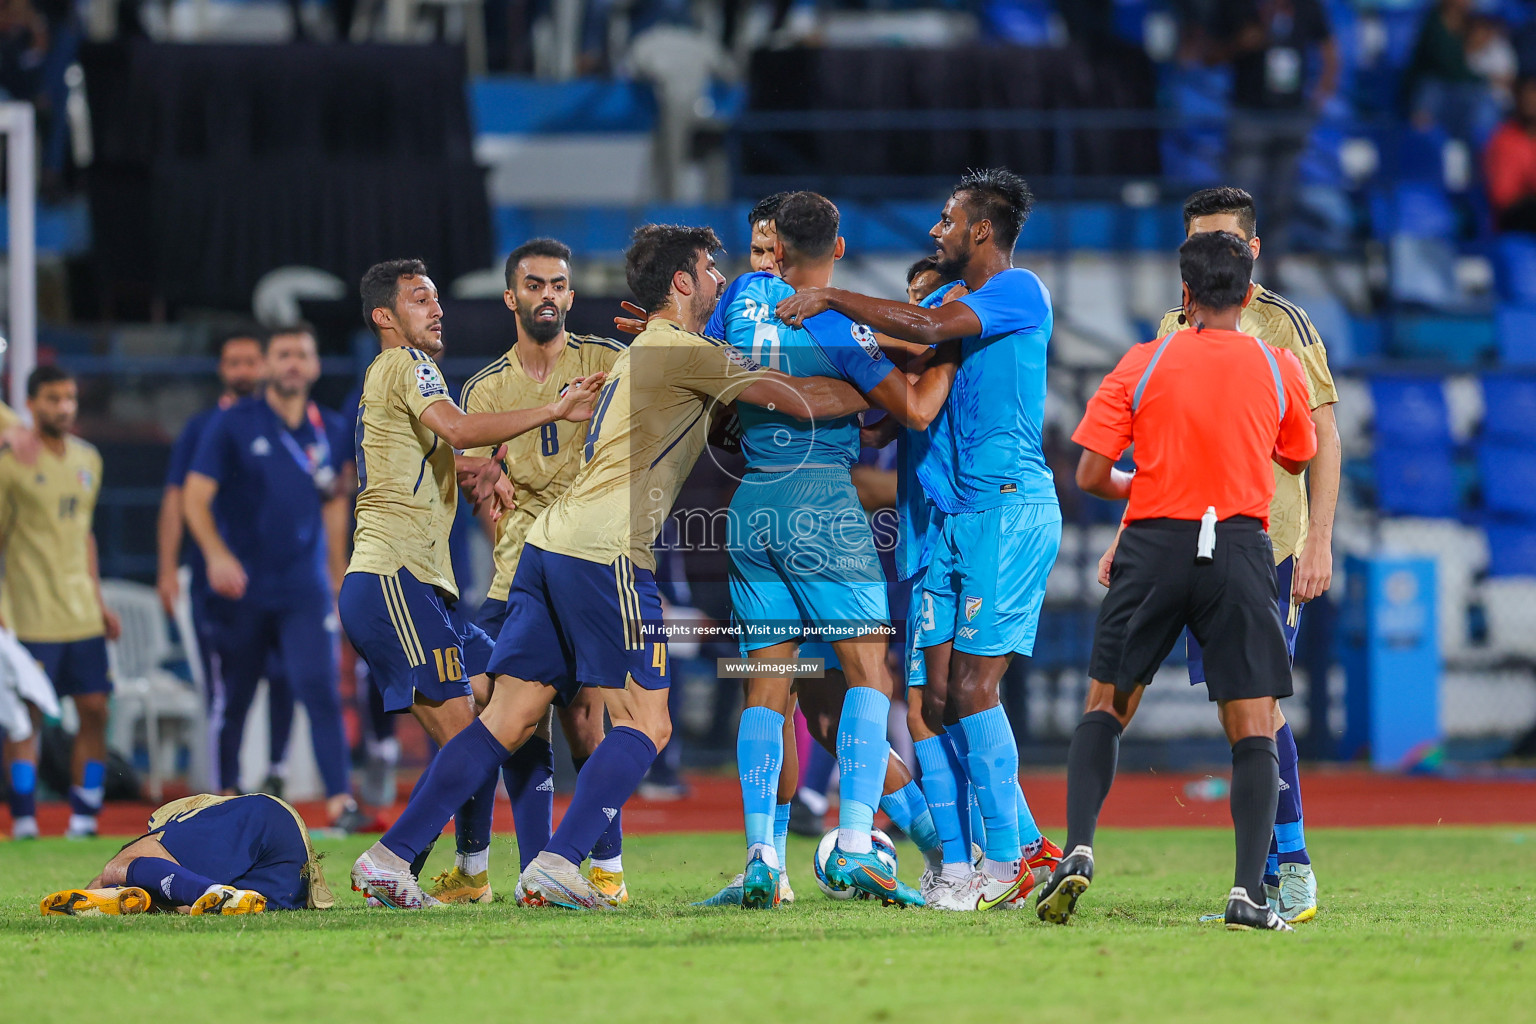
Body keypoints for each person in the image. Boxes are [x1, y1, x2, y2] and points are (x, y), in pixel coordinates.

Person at [350, 224, 869, 910]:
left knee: (507, 718)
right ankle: (561, 862)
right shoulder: (684, 352)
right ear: (682, 283)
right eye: (711, 271)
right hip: (608, 551)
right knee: (648, 724)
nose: (721, 281)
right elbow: (798, 398)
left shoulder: (641, 352)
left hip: (547, 546)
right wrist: (878, 387)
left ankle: (390, 856)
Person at [777, 167, 1059, 912]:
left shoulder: (1017, 291)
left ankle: (1015, 851)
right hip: (950, 519)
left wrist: (833, 297)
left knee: (967, 691)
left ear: (981, 231)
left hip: (1005, 508)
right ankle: (961, 864)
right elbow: (892, 388)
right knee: (930, 699)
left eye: (946, 219)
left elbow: (924, 341)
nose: (935, 230)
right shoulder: (948, 306)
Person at [1036, 230, 1317, 933]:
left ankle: (1077, 850)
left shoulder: (1145, 359)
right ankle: (1248, 894)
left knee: (1107, 705)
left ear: (1184, 294)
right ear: (1248, 294)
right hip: (1239, 548)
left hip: (1154, 544)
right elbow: (1297, 453)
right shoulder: (1278, 364)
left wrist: (1149, 481)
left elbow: (1093, 473)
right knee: (1251, 726)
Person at [714, 191, 956, 908]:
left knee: (767, 688)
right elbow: (910, 409)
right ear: (839, 249)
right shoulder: (841, 327)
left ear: (775, 250)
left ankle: (763, 860)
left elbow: (727, 389)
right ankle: (855, 844)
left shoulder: (740, 298)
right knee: (868, 675)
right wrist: (924, 364)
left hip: (752, 503)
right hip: (821, 499)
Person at [338, 258, 603, 907]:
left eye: (436, 298)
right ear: (385, 317)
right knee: (472, 739)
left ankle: (468, 872)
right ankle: (389, 861)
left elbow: (435, 452)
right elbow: (455, 426)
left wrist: (476, 468)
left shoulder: (388, 377)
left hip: (417, 585)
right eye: (421, 300)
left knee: (492, 716)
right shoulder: (408, 364)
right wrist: (556, 410)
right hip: (393, 576)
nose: (437, 310)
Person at [1146, 187, 1340, 923]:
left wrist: (1318, 538)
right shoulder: (1172, 326)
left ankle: (1291, 868)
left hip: (1270, 543)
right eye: (1196, 242)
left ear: (1252, 249)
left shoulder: (1282, 324)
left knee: (1257, 706)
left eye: (1223, 241)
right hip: (1196, 544)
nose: (1207, 255)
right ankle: (1259, 879)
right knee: (1237, 706)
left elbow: (1322, 437)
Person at [456, 237, 631, 905]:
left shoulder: (604, 362)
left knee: (586, 720)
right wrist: (483, 485)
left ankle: (607, 873)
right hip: (516, 574)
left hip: (588, 563)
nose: (548, 295)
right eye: (535, 285)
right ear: (512, 297)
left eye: (558, 284)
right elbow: (467, 467)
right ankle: (533, 872)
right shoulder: (487, 387)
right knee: (506, 713)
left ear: (571, 296)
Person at [182, 325, 366, 831]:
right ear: (266, 364)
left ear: (314, 366)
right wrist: (216, 556)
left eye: (301, 354)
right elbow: (193, 498)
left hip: (302, 587)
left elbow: (334, 509)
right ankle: (223, 796)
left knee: (320, 688)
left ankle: (339, 802)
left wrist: (337, 578)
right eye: (282, 354)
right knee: (236, 694)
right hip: (241, 586)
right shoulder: (233, 424)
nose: (292, 363)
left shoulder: (328, 427)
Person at [156, 328, 296, 799]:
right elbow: (176, 499)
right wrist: (166, 568)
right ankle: (225, 788)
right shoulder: (201, 428)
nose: (242, 371)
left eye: (249, 361)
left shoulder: (287, 423)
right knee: (227, 686)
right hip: (217, 582)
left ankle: (277, 770)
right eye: (233, 362)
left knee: (285, 676)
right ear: (222, 369)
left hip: (279, 579)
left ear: (264, 366)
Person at [0, 366, 121, 839]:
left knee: (96, 710)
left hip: (81, 613)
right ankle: (26, 819)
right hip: (29, 613)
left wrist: (99, 599)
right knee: (24, 718)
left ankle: (84, 817)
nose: (64, 407)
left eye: (69, 398)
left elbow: (83, 536)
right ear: (31, 404)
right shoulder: (11, 462)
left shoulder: (88, 459)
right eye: (52, 399)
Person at [39, 793, 334, 915]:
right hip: (281, 886)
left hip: (264, 817)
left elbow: (115, 868)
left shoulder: (187, 823)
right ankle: (219, 896)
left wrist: (100, 888)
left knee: (119, 867)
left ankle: (211, 892)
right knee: (171, 896)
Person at [1206, 0, 1338, 257]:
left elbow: (1330, 51)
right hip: (1249, 114)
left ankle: (1275, 267)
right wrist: (1239, 44)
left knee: (1282, 198)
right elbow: (1208, 56)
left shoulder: (1308, 6)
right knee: (1240, 200)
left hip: (1291, 115)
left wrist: (1321, 95)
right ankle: (1236, 268)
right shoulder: (1237, 7)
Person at [1486, 76, 1536, 234]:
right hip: (1514, 215)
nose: (1530, 102)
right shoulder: (1504, 139)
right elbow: (1503, 196)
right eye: (1526, 96)